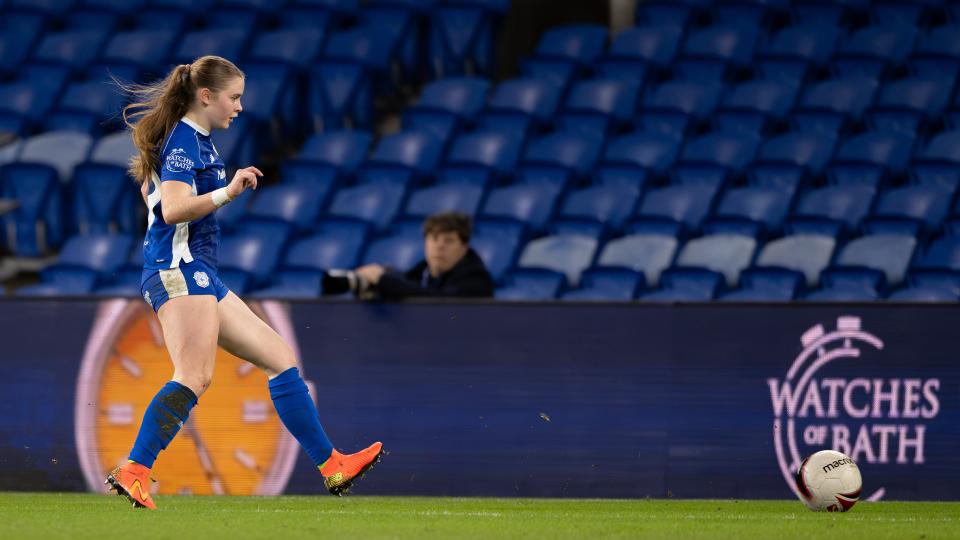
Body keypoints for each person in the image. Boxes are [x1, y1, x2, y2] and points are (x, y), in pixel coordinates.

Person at [106, 56, 382, 510]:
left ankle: (331, 464)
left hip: (198, 272)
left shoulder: (196, 142)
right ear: (206, 96)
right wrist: (228, 192)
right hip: (179, 270)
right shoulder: (183, 143)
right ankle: (135, 469)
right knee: (193, 376)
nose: (239, 107)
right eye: (234, 97)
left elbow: (154, 198)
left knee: (279, 358)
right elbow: (173, 210)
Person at [325, 211, 494, 299]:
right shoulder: (421, 271)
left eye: (449, 241)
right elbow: (408, 286)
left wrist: (383, 280)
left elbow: (439, 304)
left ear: (464, 247)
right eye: (434, 239)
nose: (439, 247)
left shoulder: (476, 278)